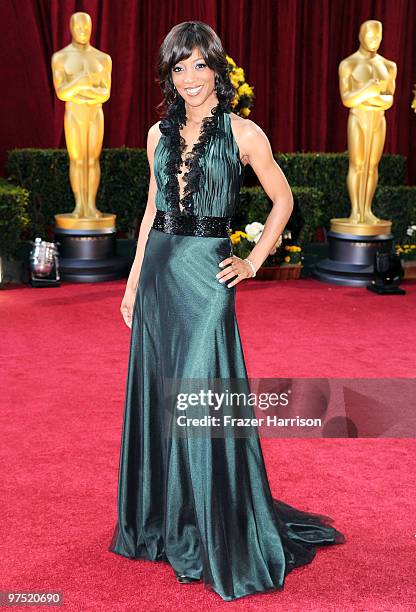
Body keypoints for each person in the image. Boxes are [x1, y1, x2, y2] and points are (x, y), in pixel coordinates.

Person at [108, 20, 345, 602]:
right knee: (161, 397)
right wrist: (135, 280)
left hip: (208, 278)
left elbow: (283, 198)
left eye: (198, 65)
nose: (189, 79)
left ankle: (213, 529)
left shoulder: (244, 133)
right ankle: (168, 522)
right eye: (177, 68)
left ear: (218, 68)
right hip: (161, 274)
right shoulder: (154, 134)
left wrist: (255, 260)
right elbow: (150, 210)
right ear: (169, 75)